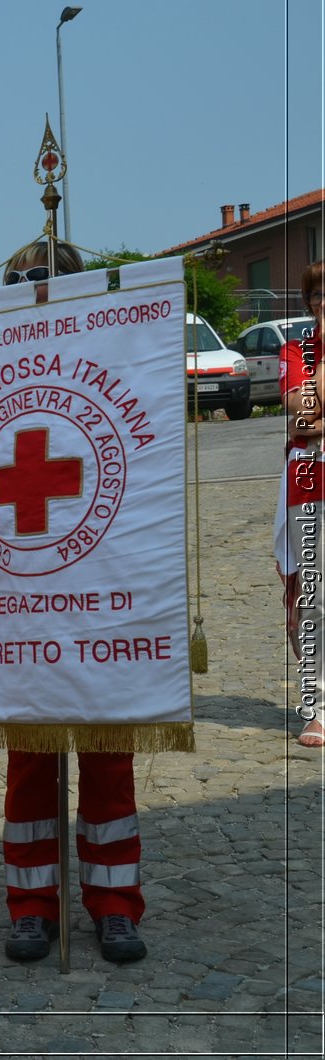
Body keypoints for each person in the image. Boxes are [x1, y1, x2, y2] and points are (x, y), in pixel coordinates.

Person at [0, 240, 148, 966]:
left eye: (52, 284)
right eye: (28, 286)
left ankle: (115, 903)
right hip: (24, 593)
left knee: (109, 753)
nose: (40, 294)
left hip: (103, 589)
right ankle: (31, 904)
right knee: (30, 757)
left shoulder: (120, 357)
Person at [281, 260, 325, 748]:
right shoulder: (296, 349)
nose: (321, 304)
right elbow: (304, 408)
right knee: (313, 594)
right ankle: (317, 705)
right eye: (316, 296)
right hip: (309, 479)